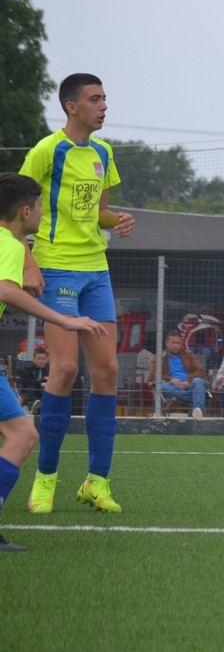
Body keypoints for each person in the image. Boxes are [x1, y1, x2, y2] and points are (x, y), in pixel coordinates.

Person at [19, 74, 136, 515]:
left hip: (96, 272)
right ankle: (44, 480)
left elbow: (99, 213)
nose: (104, 106)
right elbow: (12, 213)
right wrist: (29, 262)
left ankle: (96, 482)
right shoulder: (46, 151)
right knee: (65, 369)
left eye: (105, 98)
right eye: (95, 98)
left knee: (107, 372)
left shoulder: (103, 153)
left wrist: (117, 220)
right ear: (71, 106)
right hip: (56, 267)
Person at [0, 173, 109, 547]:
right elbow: (5, 290)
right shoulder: (10, 246)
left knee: (21, 432)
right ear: (25, 211)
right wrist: (63, 319)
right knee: (21, 434)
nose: (44, 214)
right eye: (40, 207)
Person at [157, 331, 208, 419]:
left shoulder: (189, 354)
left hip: (189, 386)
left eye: (178, 343)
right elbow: (154, 375)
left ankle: (197, 411)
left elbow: (200, 371)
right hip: (173, 387)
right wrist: (171, 379)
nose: (176, 345)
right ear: (167, 343)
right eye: (173, 343)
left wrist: (188, 381)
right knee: (164, 387)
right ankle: (198, 398)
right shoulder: (160, 357)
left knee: (198, 381)